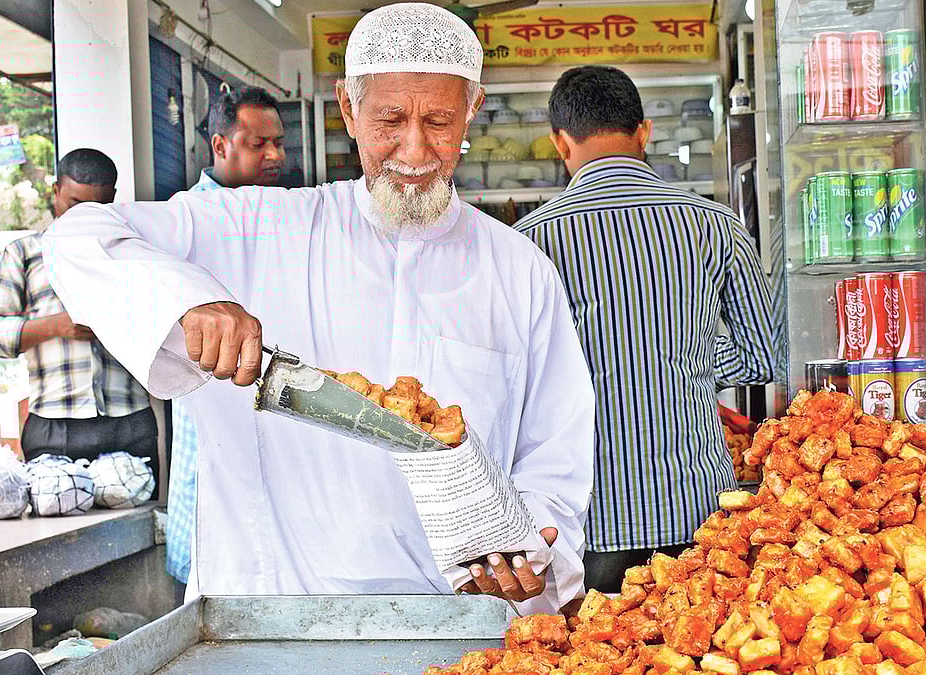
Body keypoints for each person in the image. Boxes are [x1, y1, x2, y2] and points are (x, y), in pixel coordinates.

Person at [41, 3, 594, 614]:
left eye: (439, 120)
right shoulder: (251, 227)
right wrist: (189, 301)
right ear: (348, 109)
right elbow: (79, 237)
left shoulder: (519, 272)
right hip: (274, 619)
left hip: (457, 625)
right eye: (390, 119)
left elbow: (553, 454)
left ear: (472, 109)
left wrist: (531, 555)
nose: (415, 150)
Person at [514, 65, 777, 592]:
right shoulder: (716, 226)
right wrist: (687, 359)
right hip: (699, 515)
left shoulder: (526, 242)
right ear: (644, 132)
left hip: (582, 522)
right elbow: (760, 357)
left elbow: (510, 385)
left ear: (560, 143)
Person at [0, 149, 159, 480]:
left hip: (129, 417)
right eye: (75, 205)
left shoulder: (135, 252)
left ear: (113, 199)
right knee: (60, 524)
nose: (84, 217)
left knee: (140, 527)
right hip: (54, 423)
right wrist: (56, 326)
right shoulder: (24, 254)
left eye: (96, 207)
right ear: (55, 192)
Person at [167, 86, 286, 590]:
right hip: (212, 418)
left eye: (278, 142)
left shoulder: (285, 214)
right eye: (258, 144)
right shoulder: (184, 224)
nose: (276, 155)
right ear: (220, 145)